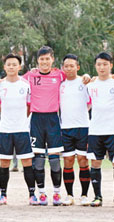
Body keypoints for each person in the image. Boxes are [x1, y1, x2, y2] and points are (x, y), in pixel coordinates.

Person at [21, 46, 90, 206]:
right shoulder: (30, 75)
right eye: (41, 59)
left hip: (53, 120)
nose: (44, 62)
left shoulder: (59, 74)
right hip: (36, 120)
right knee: (38, 160)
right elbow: (13, 79)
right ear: (38, 61)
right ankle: (42, 193)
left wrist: (87, 76)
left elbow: (78, 76)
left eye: (47, 59)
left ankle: (57, 194)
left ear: (52, 60)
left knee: (54, 159)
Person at [0, 53, 35, 205]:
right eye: (8, 64)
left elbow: (29, 107)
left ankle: (32, 195)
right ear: (4, 67)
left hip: (22, 130)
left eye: (14, 64)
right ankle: (3, 195)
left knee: (27, 162)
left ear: (20, 67)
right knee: (4, 163)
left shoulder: (26, 85)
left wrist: (21, 120)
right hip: (5, 130)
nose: (11, 67)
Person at [59, 54, 91, 206]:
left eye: (72, 66)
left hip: (83, 128)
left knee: (83, 160)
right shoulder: (60, 85)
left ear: (77, 67)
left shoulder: (85, 82)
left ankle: (84, 195)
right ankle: (69, 195)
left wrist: (87, 76)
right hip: (65, 128)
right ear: (63, 68)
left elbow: (91, 100)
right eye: (66, 66)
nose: (69, 68)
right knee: (68, 161)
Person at [86, 52, 114, 207]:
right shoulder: (90, 85)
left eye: (105, 64)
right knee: (95, 163)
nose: (102, 67)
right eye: (99, 64)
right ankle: (98, 196)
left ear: (110, 65)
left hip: (112, 131)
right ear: (95, 66)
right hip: (95, 131)